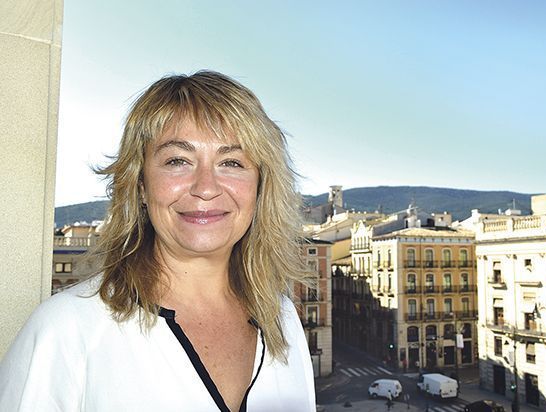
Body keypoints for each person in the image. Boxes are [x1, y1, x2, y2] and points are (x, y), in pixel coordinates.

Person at [0, 71, 315, 411]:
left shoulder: (283, 320)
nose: (206, 187)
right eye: (178, 161)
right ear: (140, 185)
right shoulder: (67, 328)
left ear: (260, 186)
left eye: (231, 162)